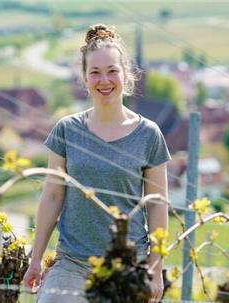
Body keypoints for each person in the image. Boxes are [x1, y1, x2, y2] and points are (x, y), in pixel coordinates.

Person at [22, 24, 170, 303]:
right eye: (95, 72)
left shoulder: (149, 134)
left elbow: (157, 204)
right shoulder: (67, 130)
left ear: (125, 76)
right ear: (85, 78)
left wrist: (155, 267)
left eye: (112, 70)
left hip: (128, 264)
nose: (105, 80)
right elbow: (52, 196)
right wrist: (36, 259)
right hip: (73, 263)